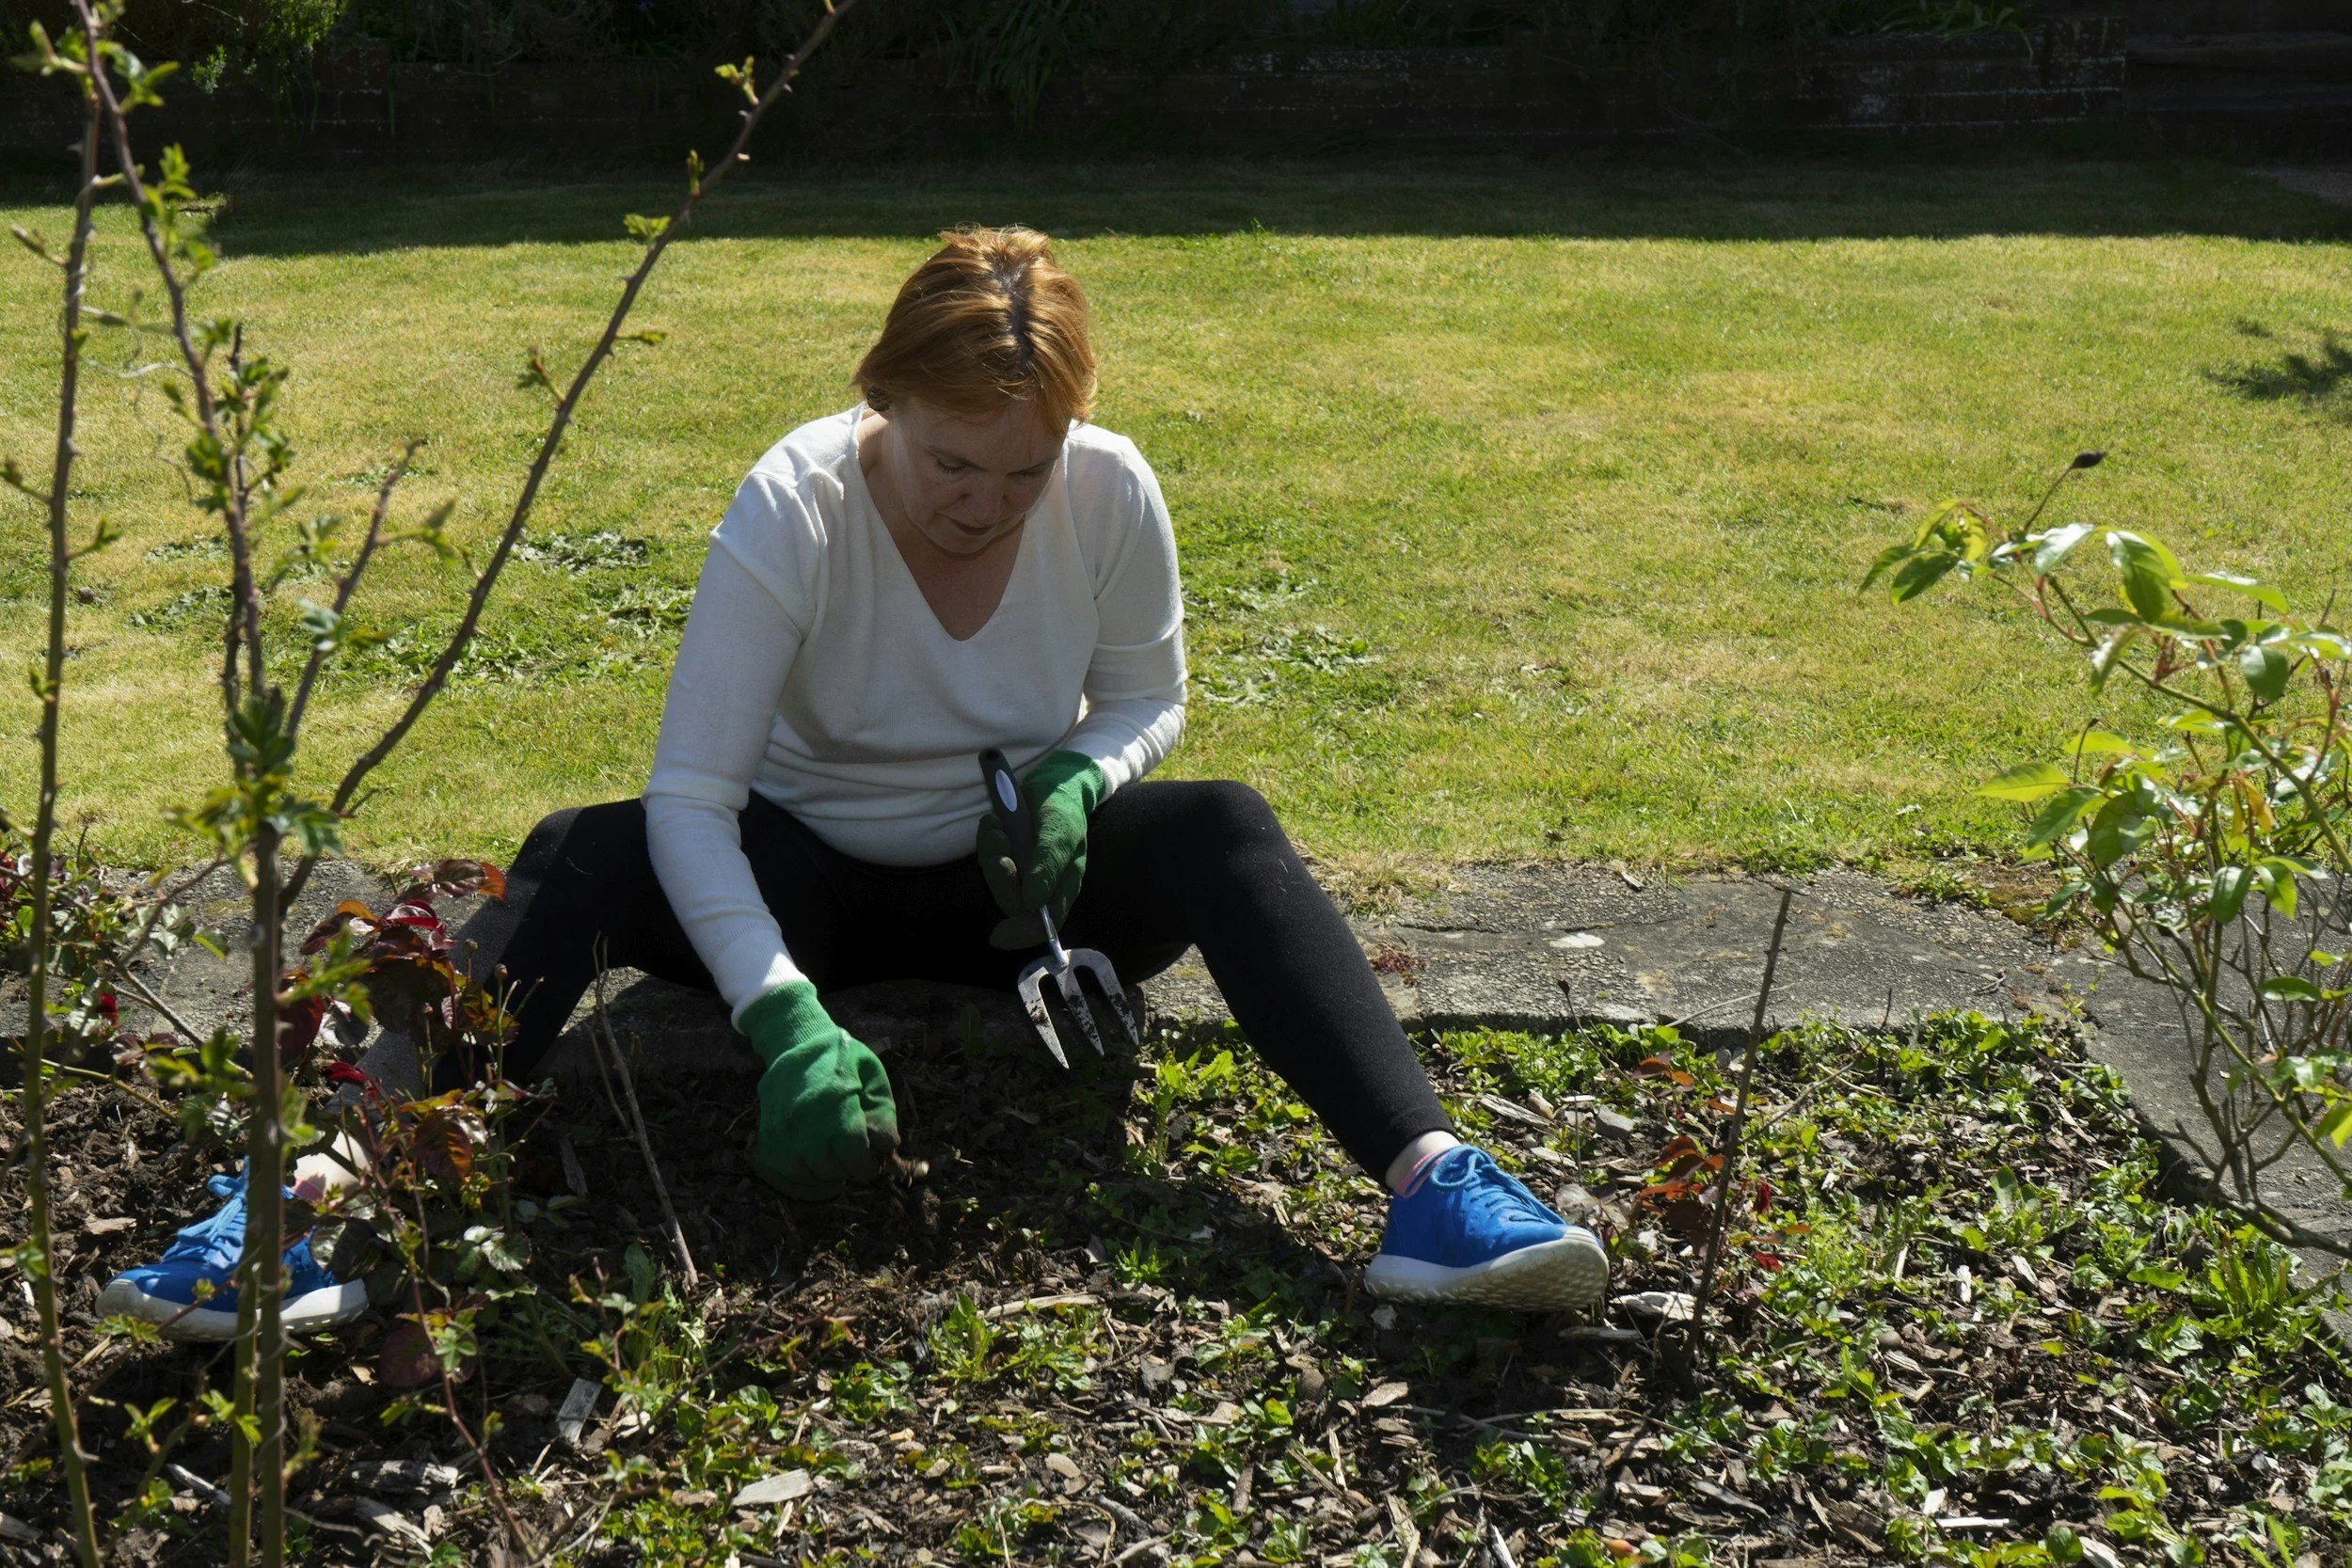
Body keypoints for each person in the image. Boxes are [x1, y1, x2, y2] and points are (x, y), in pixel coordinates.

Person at [101, 228, 1607, 1339]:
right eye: (956, 463)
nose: (988, 505)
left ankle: (1435, 1185)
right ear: (883, 400)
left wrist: (1082, 777)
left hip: (1020, 890)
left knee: (1223, 823)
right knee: (577, 850)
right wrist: (778, 1012)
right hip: (796, 880)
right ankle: (305, 1198)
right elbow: (693, 798)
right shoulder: (795, 501)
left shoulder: (1112, 488)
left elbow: (1148, 692)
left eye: (1026, 473)